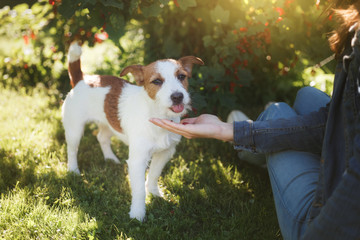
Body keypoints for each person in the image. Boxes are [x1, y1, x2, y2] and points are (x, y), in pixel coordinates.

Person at [150, 1, 360, 239]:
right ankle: (261, 138)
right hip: (346, 152)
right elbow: (334, 121)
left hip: (323, 227)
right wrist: (227, 129)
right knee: (306, 96)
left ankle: (262, 148)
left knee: (277, 111)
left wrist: (227, 131)